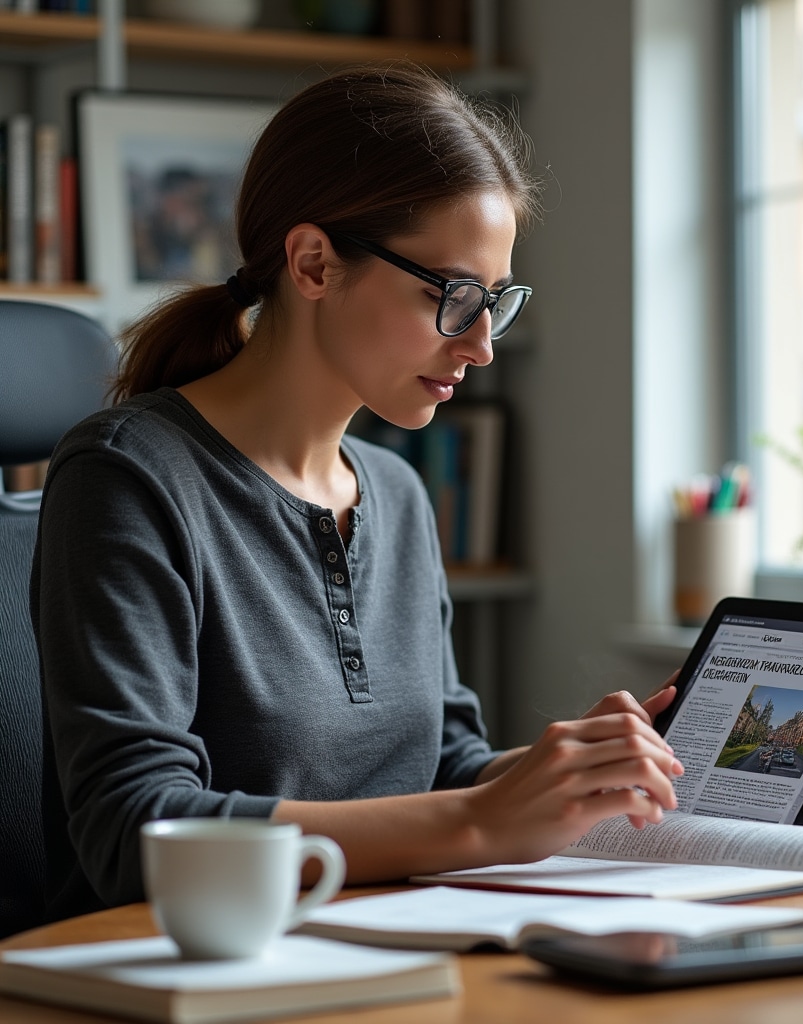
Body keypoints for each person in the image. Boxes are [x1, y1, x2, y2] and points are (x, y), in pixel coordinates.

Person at [31, 61, 683, 924]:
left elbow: (443, 765)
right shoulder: (129, 477)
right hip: (198, 974)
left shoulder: (399, 494)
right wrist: (479, 821)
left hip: (392, 948)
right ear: (312, 265)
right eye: (452, 295)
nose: (481, 344)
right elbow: (136, 829)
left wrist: (569, 772)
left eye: (496, 301)